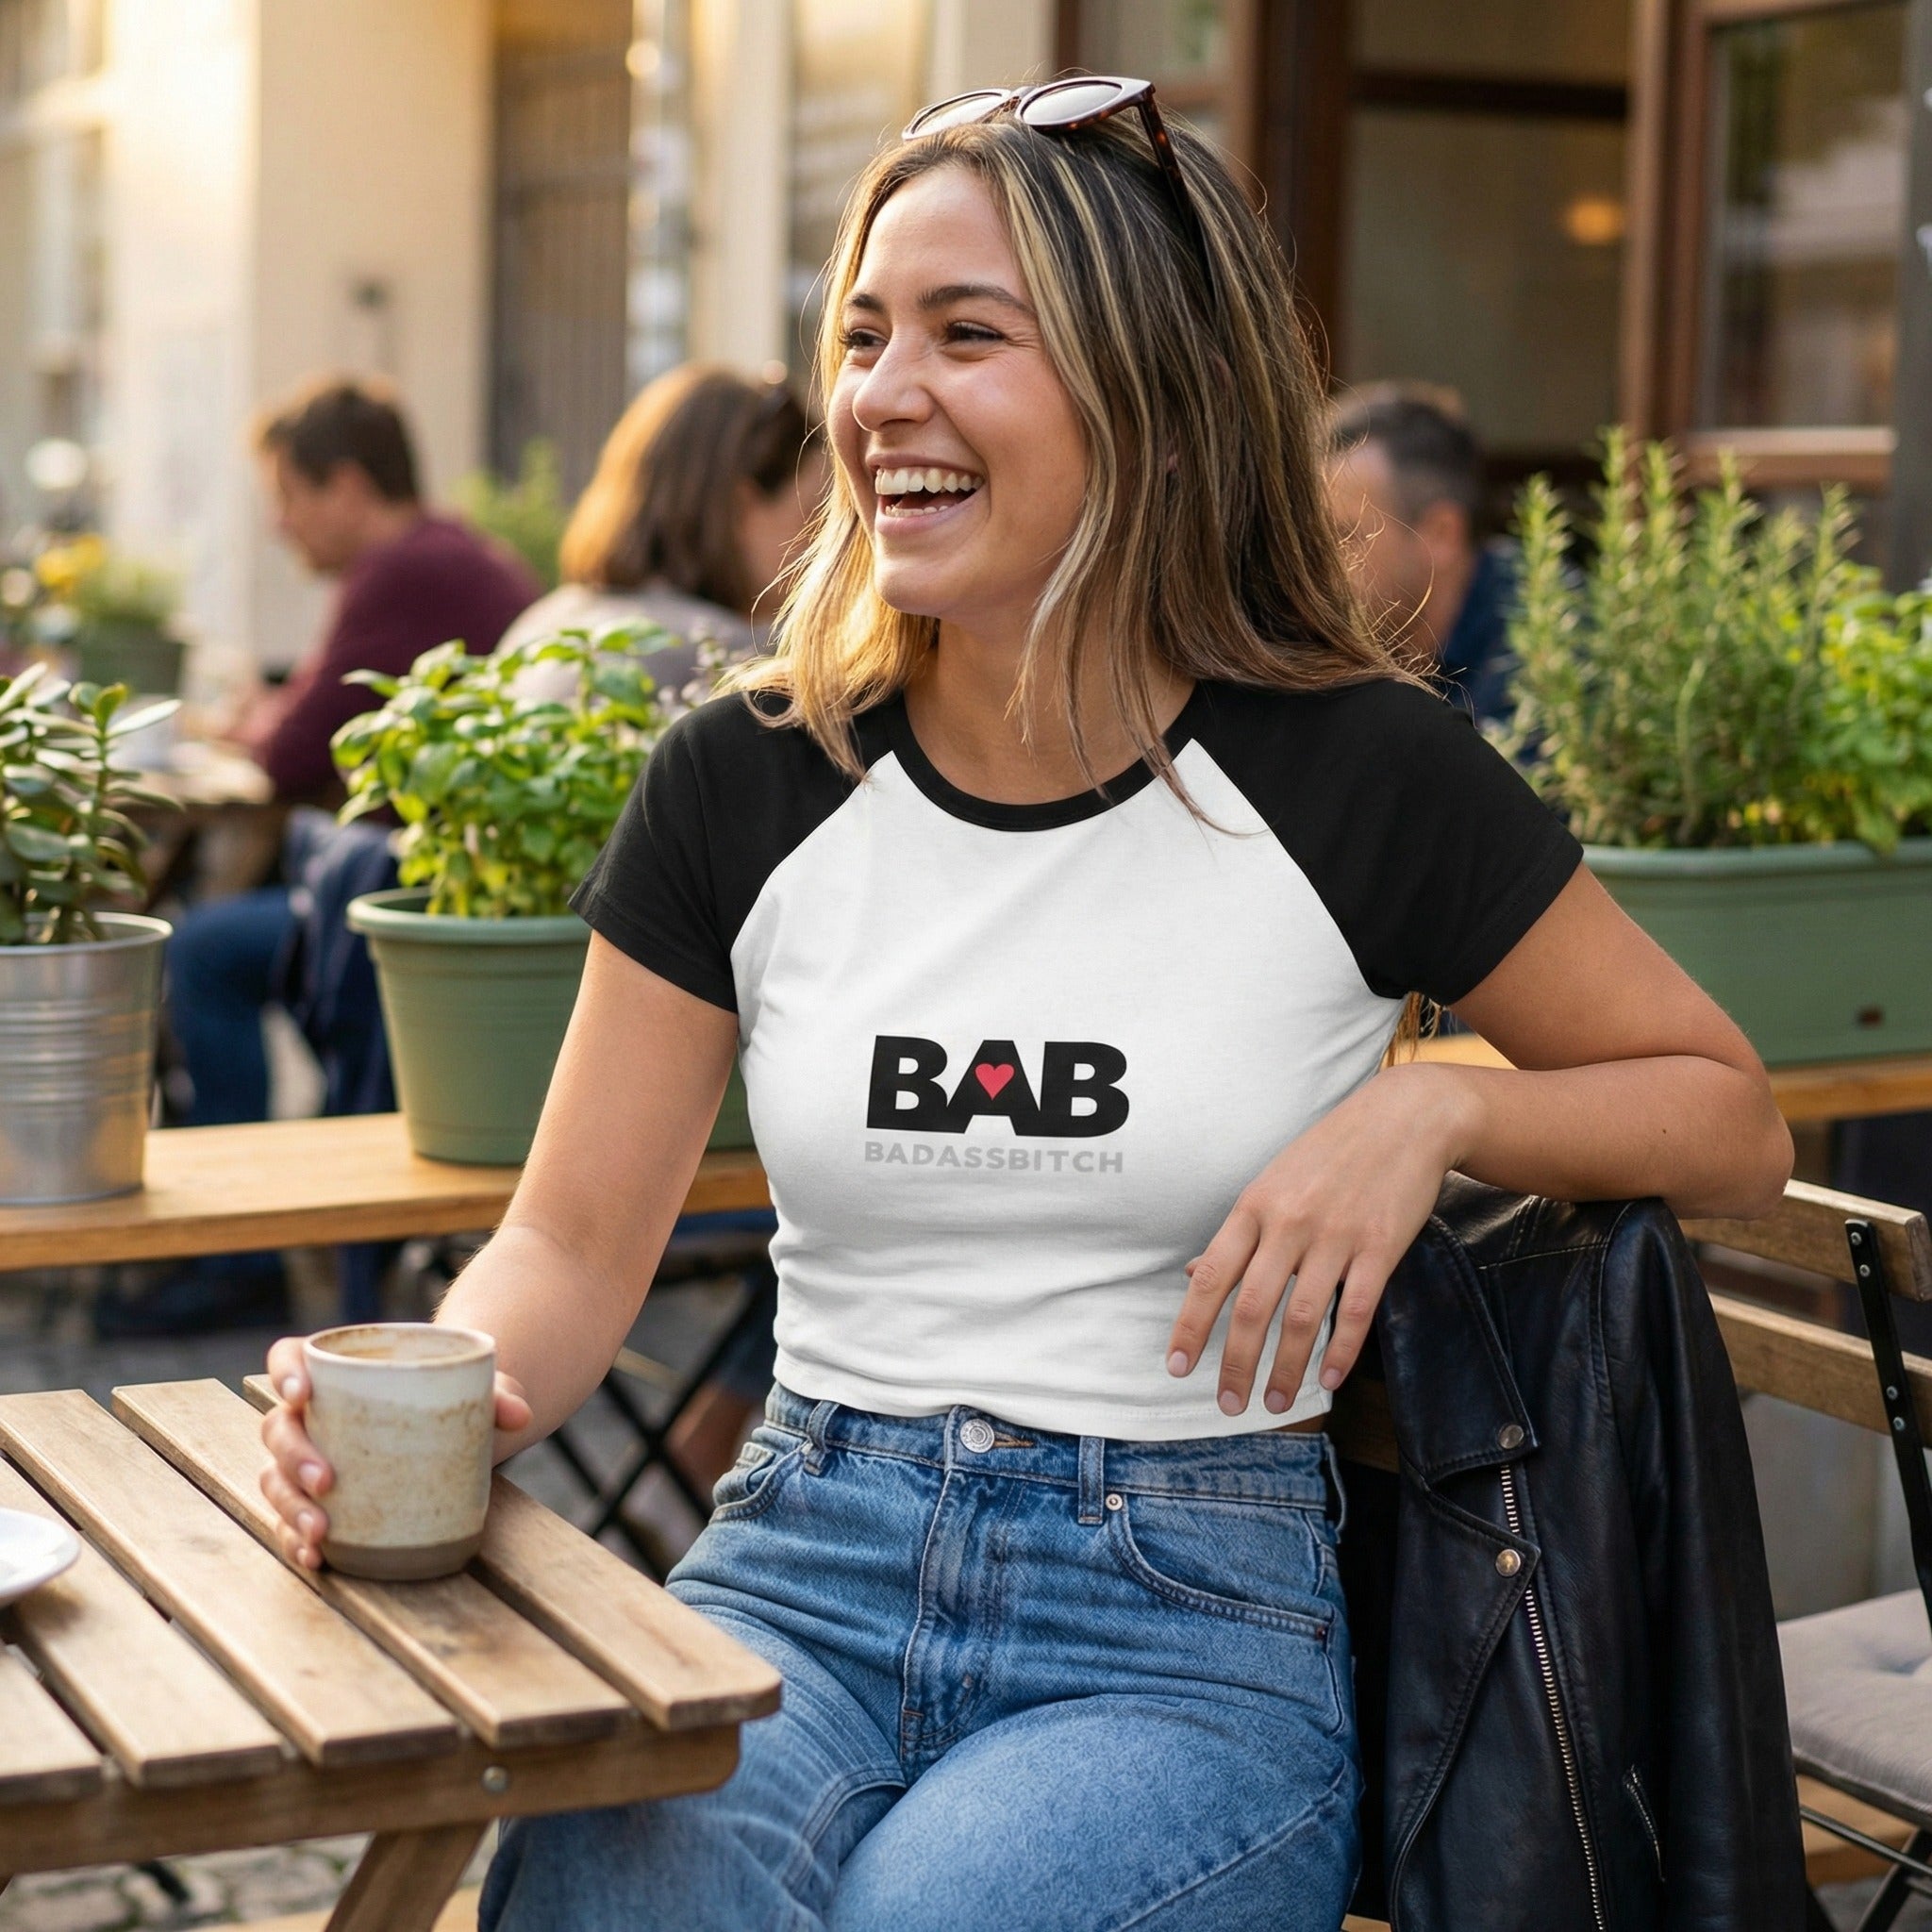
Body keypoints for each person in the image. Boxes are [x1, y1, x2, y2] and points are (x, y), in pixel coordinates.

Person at [260, 82, 1791, 1929]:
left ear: (1147, 393)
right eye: (861, 333)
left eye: (966, 335)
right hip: (799, 1558)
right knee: (606, 1878)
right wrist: (456, 1390)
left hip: (1177, 1624)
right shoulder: (743, 783)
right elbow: (572, 1245)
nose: (879, 394)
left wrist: (1435, 1107)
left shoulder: (1353, 769)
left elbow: (1723, 1107)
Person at [110, 381, 536, 1337]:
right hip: (445, 895)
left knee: (201, 950)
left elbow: (290, 748)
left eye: (289, 496)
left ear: (345, 485)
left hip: (424, 907)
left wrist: (254, 724)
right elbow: (308, 718)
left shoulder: (403, 569)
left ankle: (236, 1250)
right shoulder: (443, 554)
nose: (278, 523)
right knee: (231, 925)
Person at [500, 362, 824, 700]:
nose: (823, 544)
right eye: (813, 516)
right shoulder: (737, 657)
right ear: (742, 509)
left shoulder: (541, 624)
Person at [1324, 382, 1519, 724]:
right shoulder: (1353, 645)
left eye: (1345, 536)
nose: (1321, 565)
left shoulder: (1548, 650)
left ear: (1442, 534)